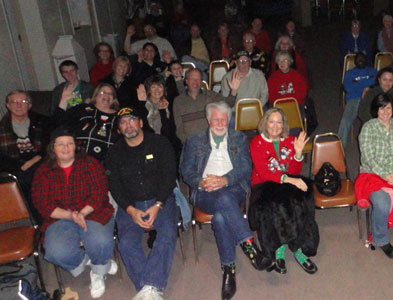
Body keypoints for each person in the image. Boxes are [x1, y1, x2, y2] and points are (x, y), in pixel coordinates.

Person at [180, 102, 272, 300]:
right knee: (222, 199)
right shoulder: (194, 141)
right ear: (208, 120)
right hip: (204, 191)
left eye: (224, 119)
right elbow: (186, 171)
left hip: (233, 187)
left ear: (229, 120)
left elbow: (246, 167)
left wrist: (225, 180)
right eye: (216, 119)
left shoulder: (238, 138)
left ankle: (229, 269)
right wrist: (202, 182)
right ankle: (250, 248)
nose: (220, 123)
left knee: (221, 217)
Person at [31, 127, 117, 298]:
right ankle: (87, 262)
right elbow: (42, 203)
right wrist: (71, 216)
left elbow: (99, 193)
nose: (65, 148)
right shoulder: (43, 171)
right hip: (59, 217)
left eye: (69, 143)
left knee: (100, 241)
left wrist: (82, 214)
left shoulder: (90, 163)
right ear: (52, 147)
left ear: (75, 146)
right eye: (60, 144)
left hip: (92, 211)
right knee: (55, 252)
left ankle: (99, 272)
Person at [105, 107, 180, 300]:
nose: (128, 125)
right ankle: (151, 289)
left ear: (140, 122)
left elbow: (169, 176)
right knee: (126, 243)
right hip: (131, 204)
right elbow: (114, 185)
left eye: (131, 120)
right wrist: (130, 210)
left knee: (167, 234)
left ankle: (148, 289)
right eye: (123, 122)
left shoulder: (160, 143)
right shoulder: (114, 152)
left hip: (161, 200)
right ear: (119, 129)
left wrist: (158, 205)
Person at [248, 109, 318, 274]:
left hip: (285, 182)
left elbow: (294, 170)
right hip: (263, 185)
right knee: (279, 203)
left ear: (283, 124)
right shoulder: (257, 142)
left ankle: (299, 247)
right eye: (271, 121)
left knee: (303, 198)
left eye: (279, 122)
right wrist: (290, 180)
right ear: (265, 123)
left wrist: (298, 153)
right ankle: (281, 247)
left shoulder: (290, 140)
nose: (275, 126)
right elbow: (265, 173)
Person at [355, 93, 393, 258]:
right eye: (381, 108)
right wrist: (386, 175)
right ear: (376, 110)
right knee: (382, 204)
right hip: (374, 173)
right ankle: (381, 239)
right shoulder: (368, 127)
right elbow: (368, 157)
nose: (384, 112)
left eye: (388, 107)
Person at [0, 90, 49, 207]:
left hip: (40, 160)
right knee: (24, 179)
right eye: (14, 102)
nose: (18, 105)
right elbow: (2, 158)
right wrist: (20, 165)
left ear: (29, 105)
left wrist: (36, 158)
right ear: (8, 106)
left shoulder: (43, 122)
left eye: (23, 101)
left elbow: (50, 145)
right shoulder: (2, 128)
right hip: (15, 166)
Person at [53, 83, 120, 161]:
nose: (106, 95)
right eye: (102, 92)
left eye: (110, 94)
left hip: (107, 161)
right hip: (78, 158)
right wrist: (64, 100)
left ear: (114, 98)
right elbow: (58, 123)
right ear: (95, 96)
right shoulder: (83, 109)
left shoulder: (119, 117)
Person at [137, 75, 182, 160]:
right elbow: (143, 128)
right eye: (153, 87)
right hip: (148, 146)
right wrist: (141, 104)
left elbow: (169, 132)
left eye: (160, 86)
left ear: (164, 89)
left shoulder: (170, 105)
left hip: (167, 146)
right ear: (149, 90)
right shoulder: (142, 106)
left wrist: (162, 112)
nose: (157, 90)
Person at [173, 68, 224, 143]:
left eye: (198, 79)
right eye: (192, 79)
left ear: (201, 82)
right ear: (186, 81)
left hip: (211, 140)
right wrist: (189, 141)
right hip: (191, 142)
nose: (195, 82)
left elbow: (228, 103)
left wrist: (234, 91)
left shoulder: (211, 95)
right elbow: (179, 130)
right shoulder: (178, 101)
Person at [338, 53, 377, 148]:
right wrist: (367, 84)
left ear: (366, 60)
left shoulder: (373, 71)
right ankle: (340, 148)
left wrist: (359, 84)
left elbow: (378, 85)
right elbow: (348, 88)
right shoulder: (350, 73)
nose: (360, 61)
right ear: (355, 62)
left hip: (370, 99)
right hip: (354, 99)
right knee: (345, 121)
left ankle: (375, 145)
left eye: (362, 59)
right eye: (358, 59)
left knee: (374, 120)